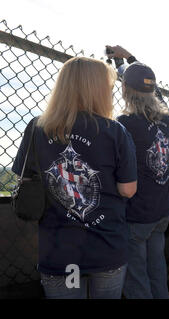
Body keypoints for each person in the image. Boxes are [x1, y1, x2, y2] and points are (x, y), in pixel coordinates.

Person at [12, 57, 137, 299]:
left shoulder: (37, 127)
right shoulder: (115, 131)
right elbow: (128, 189)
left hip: (58, 249)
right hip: (106, 245)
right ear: (98, 89)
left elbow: (24, 176)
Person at [108, 45, 169, 299]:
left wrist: (127, 63)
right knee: (157, 269)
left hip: (136, 215)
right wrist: (131, 60)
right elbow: (153, 90)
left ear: (124, 90)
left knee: (136, 278)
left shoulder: (123, 124)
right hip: (160, 211)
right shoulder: (166, 120)